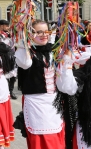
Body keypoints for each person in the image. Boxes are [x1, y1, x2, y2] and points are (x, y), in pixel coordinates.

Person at [15, 20, 65, 149]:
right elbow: (25, 63)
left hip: (54, 101)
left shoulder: (53, 52)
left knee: (55, 134)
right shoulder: (26, 53)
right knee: (40, 137)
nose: (44, 35)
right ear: (30, 34)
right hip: (35, 102)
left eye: (46, 31)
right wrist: (22, 38)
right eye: (39, 32)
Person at [0, 19, 17, 100]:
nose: (8, 27)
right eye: (6, 25)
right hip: (4, 57)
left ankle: (11, 90)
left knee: (14, 75)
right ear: (1, 26)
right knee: (5, 75)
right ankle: (6, 91)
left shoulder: (9, 34)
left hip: (12, 56)